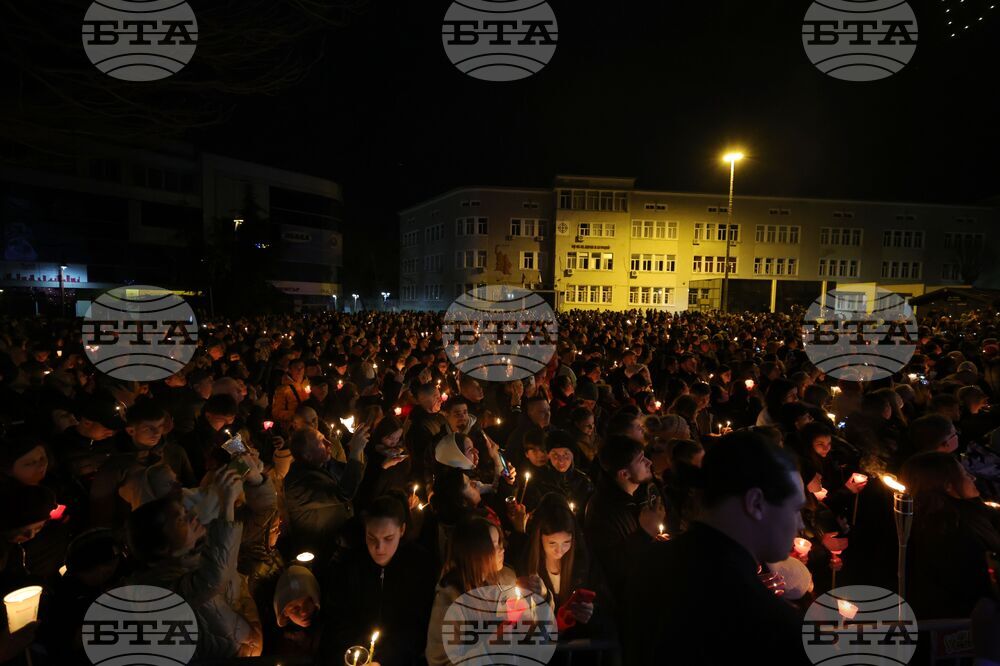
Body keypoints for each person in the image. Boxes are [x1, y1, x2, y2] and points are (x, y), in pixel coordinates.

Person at [626, 430, 809, 664]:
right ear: (756, 503)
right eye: (795, 510)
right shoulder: (764, 620)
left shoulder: (652, 560)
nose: (800, 523)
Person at [126, 469, 263, 659]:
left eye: (186, 512)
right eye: (181, 519)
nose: (193, 517)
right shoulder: (154, 593)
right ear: (160, 546)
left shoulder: (199, 557)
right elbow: (212, 580)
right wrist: (226, 505)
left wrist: (252, 629)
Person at [323, 494, 437, 666]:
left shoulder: (420, 565)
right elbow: (338, 617)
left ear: (402, 530)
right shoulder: (350, 565)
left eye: (388, 539)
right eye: (372, 538)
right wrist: (358, 653)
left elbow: (419, 626)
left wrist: (384, 659)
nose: (379, 548)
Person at [902, 451, 1000, 619]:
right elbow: (974, 580)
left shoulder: (968, 511)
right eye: (964, 474)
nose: (973, 477)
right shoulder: (946, 530)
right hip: (971, 621)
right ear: (948, 485)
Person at [519, 494, 615, 646]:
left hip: (575, 646)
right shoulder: (528, 563)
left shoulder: (583, 561)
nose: (559, 550)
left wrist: (592, 612)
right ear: (540, 538)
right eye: (552, 543)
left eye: (566, 542)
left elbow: (606, 605)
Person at [425, 516, 517, 666]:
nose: (502, 549)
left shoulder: (507, 579)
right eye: (494, 546)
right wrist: (490, 646)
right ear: (474, 553)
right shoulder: (450, 600)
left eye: (500, 542)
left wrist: (540, 599)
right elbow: (440, 661)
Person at [583, 435, 663, 598]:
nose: (649, 462)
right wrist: (645, 533)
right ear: (624, 474)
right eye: (641, 460)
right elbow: (614, 568)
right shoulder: (601, 511)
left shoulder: (641, 492)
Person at [284, 424, 370, 560]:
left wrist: (357, 450)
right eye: (321, 442)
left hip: (339, 543)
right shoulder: (298, 483)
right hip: (320, 553)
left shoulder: (321, 464)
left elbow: (351, 475)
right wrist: (355, 451)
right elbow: (344, 492)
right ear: (307, 455)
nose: (329, 443)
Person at [269, 565, 323, 656]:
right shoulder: (276, 641)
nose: (304, 612)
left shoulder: (326, 626)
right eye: (295, 608)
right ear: (284, 612)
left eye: (308, 602)